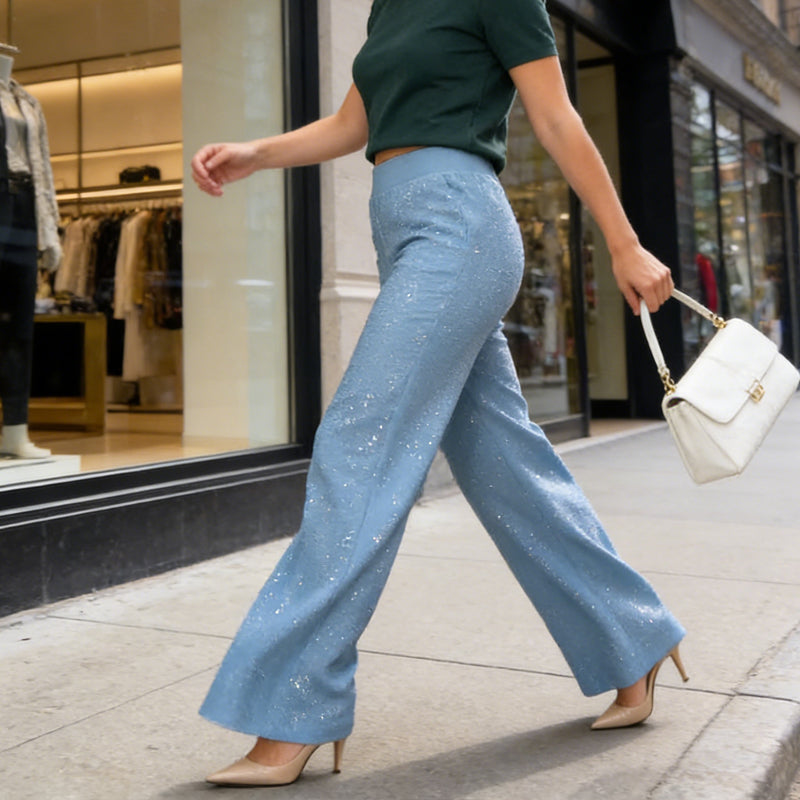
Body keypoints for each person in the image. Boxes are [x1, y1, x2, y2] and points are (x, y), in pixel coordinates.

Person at [191, 0, 688, 787]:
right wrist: (259, 152)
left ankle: (292, 708)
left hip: (461, 227)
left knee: (358, 439)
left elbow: (557, 120)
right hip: (406, 231)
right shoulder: (388, 8)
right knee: (503, 464)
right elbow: (354, 123)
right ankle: (634, 638)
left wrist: (624, 244)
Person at [0, 46, 61, 460]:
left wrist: (51, 230)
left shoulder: (28, 102)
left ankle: (15, 431)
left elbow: (43, 170)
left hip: (23, 207)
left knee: (19, 325)